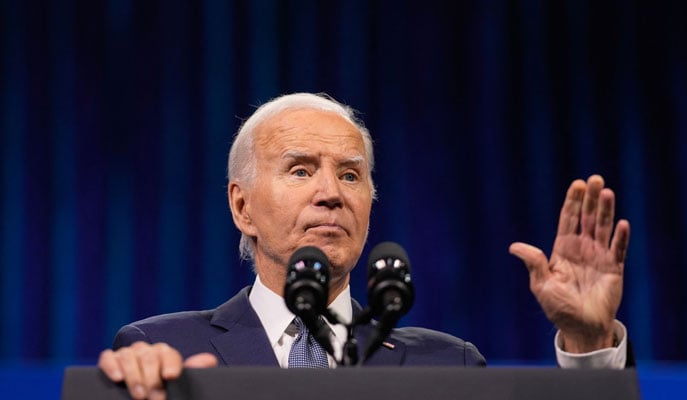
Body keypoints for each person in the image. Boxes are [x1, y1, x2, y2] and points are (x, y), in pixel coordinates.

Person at [98, 93, 631, 400]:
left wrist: (589, 345)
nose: (330, 193)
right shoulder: (163, 352)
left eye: (351, 176)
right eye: (300, 170)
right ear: (242, 208)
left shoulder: (448, 367)